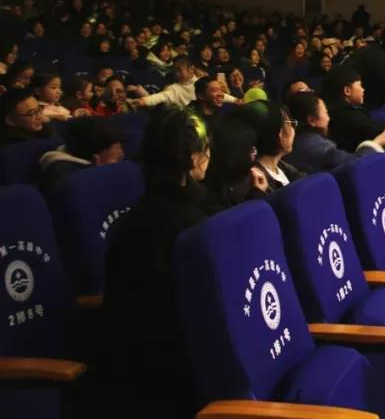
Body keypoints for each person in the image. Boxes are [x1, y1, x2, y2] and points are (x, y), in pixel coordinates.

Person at [100, 106, 213, 419]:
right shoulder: (192, 228)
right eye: (205, 149)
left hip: (141, 368)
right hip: (177, 378)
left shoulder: (140, 215)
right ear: (192, 158)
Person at [285, 91, 385, 174]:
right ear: (312, 121)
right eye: (326, 113)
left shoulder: (293, 144)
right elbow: (357, 163)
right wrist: (375, 144)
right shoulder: (319, 147)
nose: (328, 118)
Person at [38, 117, 125, 198]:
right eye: (118, 149)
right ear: (96, 157)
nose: (122, 154)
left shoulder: (76, 156)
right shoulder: (66, 180)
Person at [323, 70, 385, 150]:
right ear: (347, 90)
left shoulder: (337, 111)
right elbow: (381, 130)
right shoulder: (348, 116)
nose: (363, 90)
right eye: (360, 85)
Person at [235, 100, 302, 188]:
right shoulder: (255, 183)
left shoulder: (287, 169)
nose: (293, 129)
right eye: (289, 123)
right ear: (278, 133)